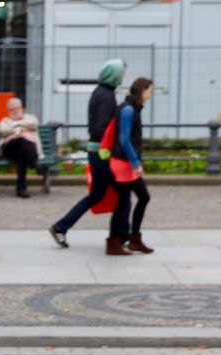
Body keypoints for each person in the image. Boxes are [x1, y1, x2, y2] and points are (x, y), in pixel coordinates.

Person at [49, 58, 132, 255]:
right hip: (102, 153)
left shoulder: (100, 92)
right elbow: (100, 128)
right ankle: (123, 237)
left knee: (97, 195)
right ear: (115, 75)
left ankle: (61, 227)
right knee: (124, 194)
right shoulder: (107, 96)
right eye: (121, 74)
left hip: (95, 151)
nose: (123, 77)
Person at [116, 78, 155, 253]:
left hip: (126, 163)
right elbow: (124, 140)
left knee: (137, 199)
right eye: (149, 91)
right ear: (142, 90)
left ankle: (132, 238)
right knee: (128, 202)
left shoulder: (132, 108)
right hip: (124, 164)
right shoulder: (129, 110)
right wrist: (135, 163)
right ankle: (121, 240)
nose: (150, 94)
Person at [0, 97, 43, 199]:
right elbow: (3, 130)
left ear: (22, 108)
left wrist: (15, 126)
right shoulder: (6, 120)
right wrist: (22, 129)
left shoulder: (30, 118)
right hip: (9, 149)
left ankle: (21, 189)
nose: (14, 111)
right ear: (8, 110)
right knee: (21, 141)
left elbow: (34, 124)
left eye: (16, 108)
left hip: (24, 151)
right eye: (11, 109)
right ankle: (33, 163)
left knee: (22, 155)